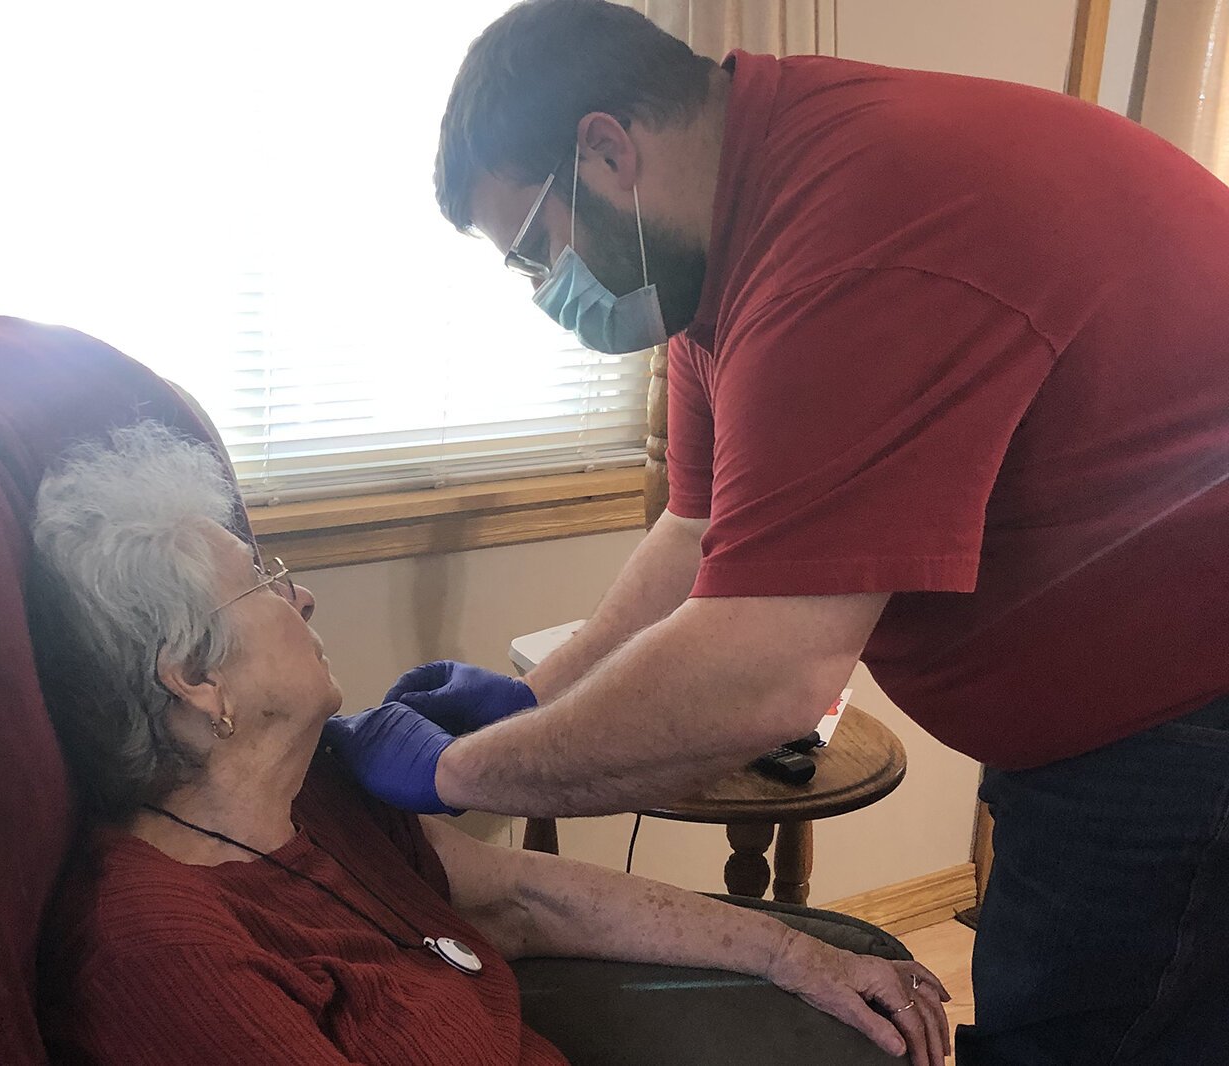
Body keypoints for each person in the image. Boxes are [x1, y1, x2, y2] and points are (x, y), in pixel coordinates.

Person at [320, 2, 1229, 1064]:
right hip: (1101, 707)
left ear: (606, 150)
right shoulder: (715, 248)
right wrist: (540, 693)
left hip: (1181, 713)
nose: (544, 294)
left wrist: (462, 774)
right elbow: (697, 528)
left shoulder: (847, 237)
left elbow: (761, 679)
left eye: (536, 249)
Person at [26, 422, 950, 1065]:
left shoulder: (315, 798)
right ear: (195, 678)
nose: (300, 597)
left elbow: (527, 897)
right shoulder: (162, 950)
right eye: (264, 583)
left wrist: (794, 956)